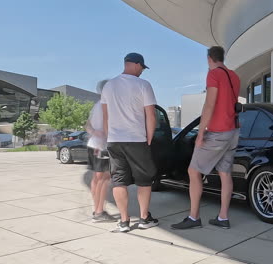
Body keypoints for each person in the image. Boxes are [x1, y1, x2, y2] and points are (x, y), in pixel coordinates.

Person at [171, 46, 240, 230]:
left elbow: (209, 104)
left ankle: (194, 218)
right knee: (225, 174)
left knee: (193, 171)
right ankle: (223, 217)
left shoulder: (214, 74)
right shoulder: (234, 76)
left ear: (209, 58)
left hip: (218, 131)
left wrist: (200, 133)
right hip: (233, 131)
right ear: (222, 57)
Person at [101, 53, 158, 232]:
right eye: (141, 67)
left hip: (115, 140)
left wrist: (108, 137)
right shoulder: (143, 85)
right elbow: (151, 115)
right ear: (135, 64)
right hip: (136, 139)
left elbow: (106, 116)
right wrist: (149, 137)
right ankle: (143, 218)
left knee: (119, 180)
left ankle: (124, 222)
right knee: (144, 180)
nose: (142, 70)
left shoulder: (109, 86)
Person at [86, 80, 116, 223]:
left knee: (96, 179)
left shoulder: (96, 105)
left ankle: (97, 209)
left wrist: (94, 132)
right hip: (102, 146)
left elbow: (87, 124)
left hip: (93, 144)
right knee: (104, 179)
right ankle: (99, 212)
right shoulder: (108, 105)